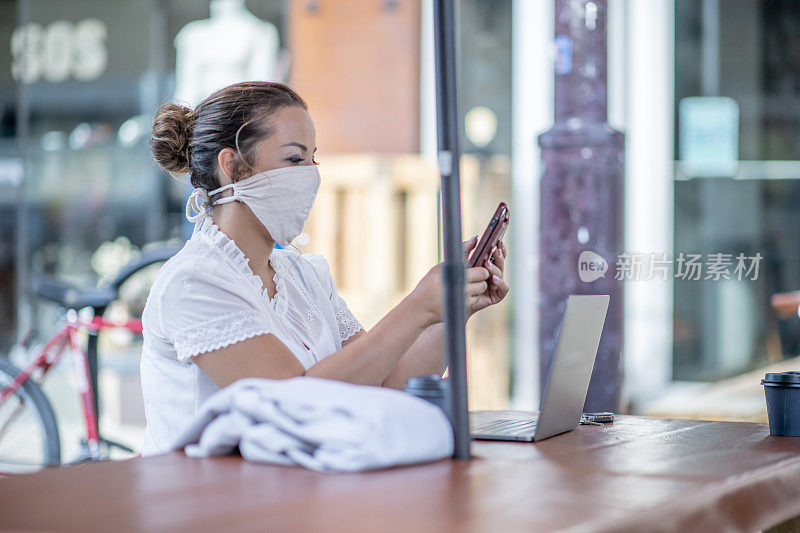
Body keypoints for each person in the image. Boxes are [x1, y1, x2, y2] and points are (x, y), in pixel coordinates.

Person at [141, 81, 509, 455]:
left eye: (313, 158)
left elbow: (386, 387)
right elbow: (294, 406)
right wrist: (418, 307)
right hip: (205, 505)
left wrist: (451, 311)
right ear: (232, 166)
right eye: (295, 159)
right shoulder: (194, 282)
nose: (312, 174)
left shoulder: (304, 276)